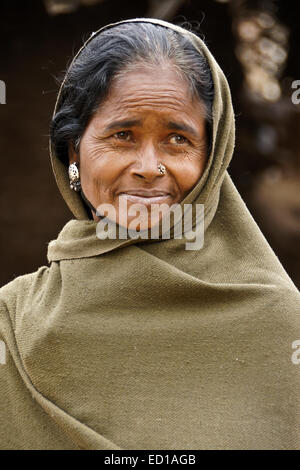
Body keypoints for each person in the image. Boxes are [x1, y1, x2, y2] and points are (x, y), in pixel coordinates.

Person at [0, 18, 299, 450]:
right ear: (73, 150)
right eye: (122, 135)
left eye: (177, 139)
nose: (148, 166)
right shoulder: (12, 323)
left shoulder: (279, 324)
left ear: (213, 157)